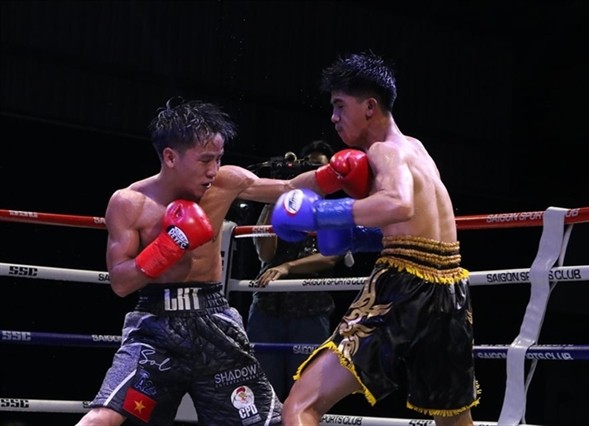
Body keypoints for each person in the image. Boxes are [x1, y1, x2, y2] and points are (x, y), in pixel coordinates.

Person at [270, 52, 480, 425]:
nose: (333, 118)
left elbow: (397, 205)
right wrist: (352, 235)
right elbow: (417, 230)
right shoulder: (416, 149)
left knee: (300, 406)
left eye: (339, 106)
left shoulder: (384, 151)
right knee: (452, 418)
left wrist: (319, 214)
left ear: (369, 106)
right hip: (450, 290)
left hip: (403, 284)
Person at [76, 98, 285, 426]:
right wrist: (168, 246)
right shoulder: (130, 203)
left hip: (215, 322)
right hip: (155, 330)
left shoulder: (222, 186)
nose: (213, 170)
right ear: (171, 157)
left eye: (218, 158)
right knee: (103, 418)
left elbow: (289, 188)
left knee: (261, 422)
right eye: (205, 160)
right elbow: (120, 282)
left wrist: (338, 177)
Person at [246, 140, 342, 401]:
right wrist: (274, 196)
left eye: (321, 169)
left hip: (310, 312)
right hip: (267, 309)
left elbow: (329, 258)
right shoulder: (284, 202)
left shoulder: (335, 208)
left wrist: (287, 267)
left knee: (304, 396)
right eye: (311, 170)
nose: (317, 176)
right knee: (264, 395)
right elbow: (265, 253)